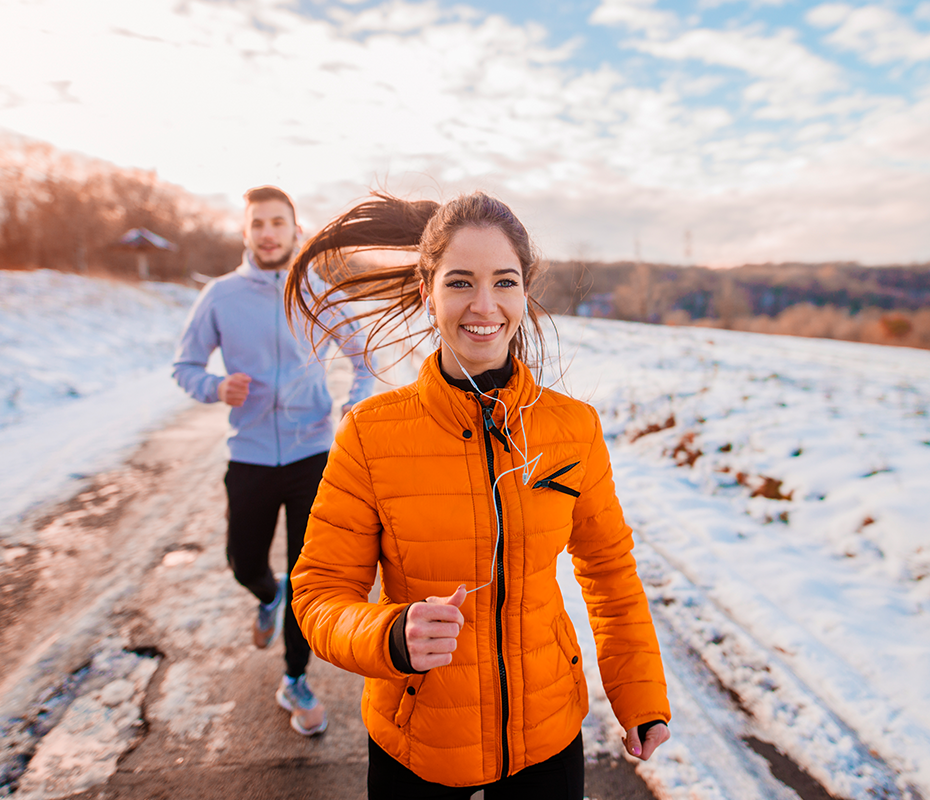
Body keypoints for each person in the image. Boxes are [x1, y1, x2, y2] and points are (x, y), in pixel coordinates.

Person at [285, 191, 671, 798]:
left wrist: (640, 694)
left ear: (525, 293)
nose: (483, 305)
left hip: (547, 736)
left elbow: (610, 571)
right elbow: (318, 595)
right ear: (427, 292)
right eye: (460, 282)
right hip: (417, 742)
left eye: (504, 282)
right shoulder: (369, 434)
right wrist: (390, 635)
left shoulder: (572, 428)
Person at [172, 185, 374, 737]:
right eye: (257, 223)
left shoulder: (319, 294)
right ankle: (266, 595)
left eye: (277, 222)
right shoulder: (219, 297)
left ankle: (295, 677)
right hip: (252, 455)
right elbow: (185, 366)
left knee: (307, 577)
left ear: (294, 229)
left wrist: (353, 404)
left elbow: (366, 359)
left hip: (313, 455)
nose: (267, 232)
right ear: (246, 232)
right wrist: (217, 387)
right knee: (244, 562)